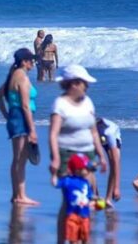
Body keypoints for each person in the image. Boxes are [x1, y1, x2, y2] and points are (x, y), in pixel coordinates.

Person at [49, 64, 107, 244]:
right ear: (73, 84)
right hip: (67, 155)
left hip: (87, 154)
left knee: (85, 197)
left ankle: (83, 239)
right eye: (84, 83)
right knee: (69, 200)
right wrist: (56, 159)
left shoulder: (88, 101)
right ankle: (62, 239)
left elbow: (94, 131)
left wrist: (101, 155)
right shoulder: (60, 104)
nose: (86, 87)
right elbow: (53, 134)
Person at [0, 48, 39, 206]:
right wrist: (32, 129)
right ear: (24, 62)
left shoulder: (12, 77)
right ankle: (20, 195)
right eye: (31, 60)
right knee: (20, 158)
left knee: (19, 158)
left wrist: (7, 115)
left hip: (15, 117)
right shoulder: (22, 78)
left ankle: (17, 194)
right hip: (21, 118)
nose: (33, 62)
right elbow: (26, 106)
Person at [51, 153, 96, 244]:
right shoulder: (67, 180)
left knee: (85, 237)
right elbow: (55, 184)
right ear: (77, 169)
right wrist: (54, 173)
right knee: (73, 238)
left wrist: (96, 202)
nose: (88, 170)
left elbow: (90, 197)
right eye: (86, 168)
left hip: (85, 215)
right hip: (72, 215)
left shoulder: (86, 183)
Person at [96, 117, 122, 207]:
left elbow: (116, 162)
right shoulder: (87, 131)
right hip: (98, 138)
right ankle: (96, 196)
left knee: (113, 162)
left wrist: (117, 187)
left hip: (113, 137)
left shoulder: (109, 132)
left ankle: (108, 198)